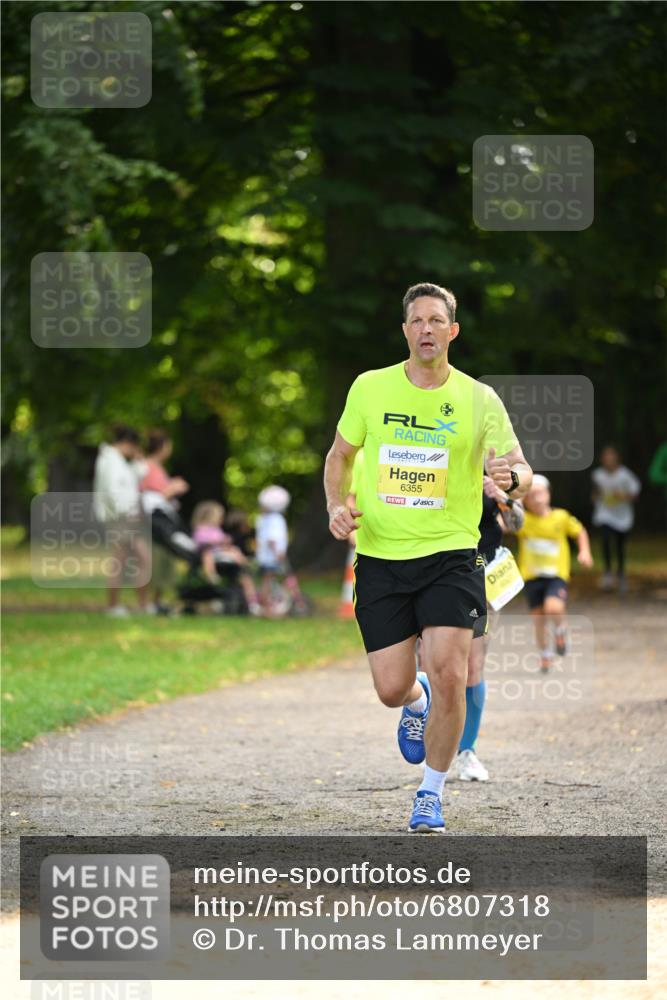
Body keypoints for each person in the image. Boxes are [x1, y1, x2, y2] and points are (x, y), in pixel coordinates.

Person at [324, 281, 532, 833]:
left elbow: (522, 468)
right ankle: (414, 704)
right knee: (391, 687)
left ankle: (430, 794)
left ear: (452, 330)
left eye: (436, 320)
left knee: (450, 673)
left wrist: (512, 479)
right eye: (416, 320)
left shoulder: (479, 399)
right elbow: (339, 455)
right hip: (382, 557)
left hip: (452, 557)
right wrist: (335, 506)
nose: (426, 329)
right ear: (404, 330)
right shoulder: (370, 388)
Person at [454, 476, 525, 782]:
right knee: (431, 663)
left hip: (483, 578)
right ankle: (426, 725)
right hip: (434, 575)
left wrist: (501, 496)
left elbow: (518, 523)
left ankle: (466, 751)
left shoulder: (493, 471)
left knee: (473, 666)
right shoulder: (434, 457)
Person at [517, 475, 593, 672]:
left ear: (548, 493)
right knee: (539, 620)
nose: (537, 499)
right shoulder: (523, 520)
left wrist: (584, 551)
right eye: (531, 495)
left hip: (556, 575)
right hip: (532, 577)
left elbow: (580, 532)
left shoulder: (561, 517)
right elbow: (502, 523)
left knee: (554, 608)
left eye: (540, 493)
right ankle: (545, 655)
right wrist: (516, 501)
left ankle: (560, 630)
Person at [92, 425, 150, 617]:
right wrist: (127, 513)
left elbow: (135, 477)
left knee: (137, 559)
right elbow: (112, 492)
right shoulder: (111, 461)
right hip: (120, 519)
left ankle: (140, 605)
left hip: (125, 518)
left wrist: (138, 462)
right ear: (128, 443)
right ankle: (114, 606)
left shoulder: (118, 461)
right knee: (122, 560)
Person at [139, 430, 190, 612]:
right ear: (162, 447)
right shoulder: (146, 467)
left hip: (164, 524)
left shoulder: (158, 467)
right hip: (153, 524)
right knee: (150, 562)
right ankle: (144, 603)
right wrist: (172, 489)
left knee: (164, 561)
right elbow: (149, 497)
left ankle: (156, 602)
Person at [191, 501, 262, 616]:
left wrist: (226, 543)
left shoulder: (217, 530)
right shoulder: (201, 529)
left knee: (235, 551)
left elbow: (225, 541)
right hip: (212, 555)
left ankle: (245, 563)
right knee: (207, 553)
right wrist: (218, 542)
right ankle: (211, 574)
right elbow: (202, 543)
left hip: (223, 554)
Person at [591, 446, 641, 592]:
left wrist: (622, 496)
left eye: (611, 457)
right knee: (606, 540)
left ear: (617, 459)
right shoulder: (597, 475)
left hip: (622, 516)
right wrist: (595, 497)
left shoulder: (625, 475)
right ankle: (607, 573)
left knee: (619, 546)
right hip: (604, 513)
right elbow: (595, 492)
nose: (609, 460)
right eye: (606, 458)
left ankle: (621, 574)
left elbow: (635, 494)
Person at [256, 485, 308, 616]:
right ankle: (267, 608)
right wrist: (278, 553)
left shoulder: (263, 519)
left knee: (268, 580)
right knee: (269, 581)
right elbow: (273, 538)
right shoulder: (276, 519)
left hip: (265, 557)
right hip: (273, 557)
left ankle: (269, 605)